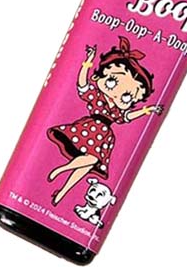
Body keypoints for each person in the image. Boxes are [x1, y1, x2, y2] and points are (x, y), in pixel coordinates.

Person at [46, 36, 165, 206]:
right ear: (98, 78)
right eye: (111, 81)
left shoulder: (117, 111)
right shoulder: (96, 97)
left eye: (127, 97)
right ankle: (61, 169)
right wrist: (88, 62)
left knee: (87, 165)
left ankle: (62, 192)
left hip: (103, 138)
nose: (117, 95)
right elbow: (83, 85)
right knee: (92, 160)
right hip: (88, 129)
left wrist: (146, 110)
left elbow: (127, 117)